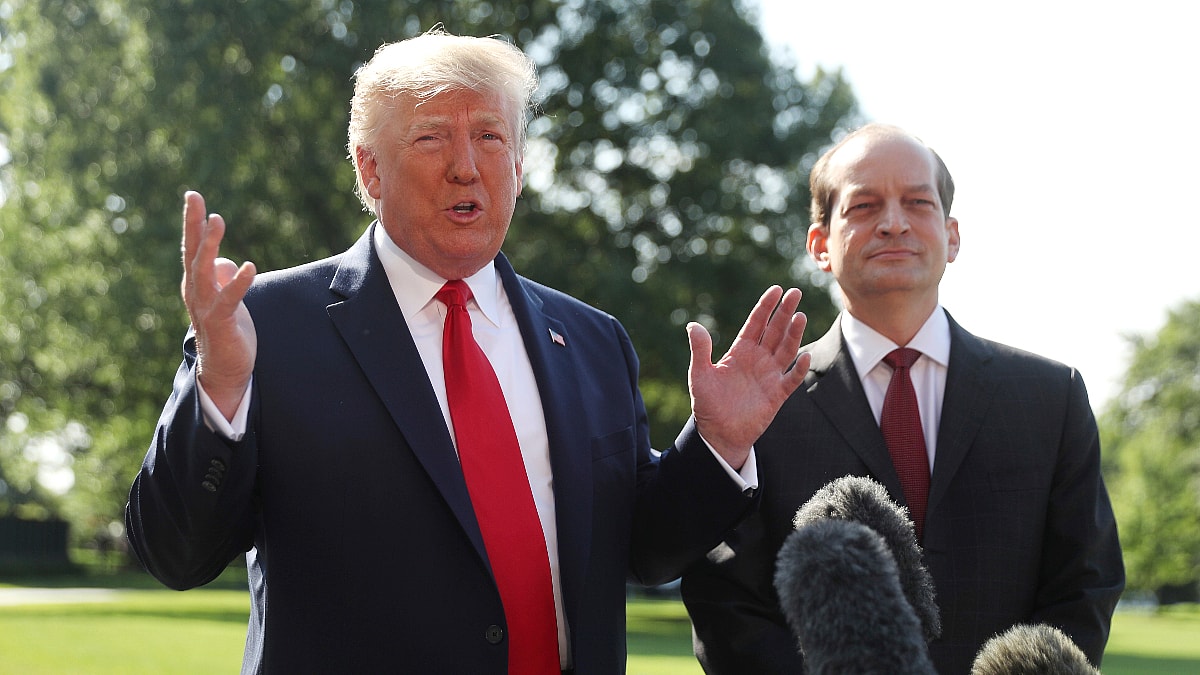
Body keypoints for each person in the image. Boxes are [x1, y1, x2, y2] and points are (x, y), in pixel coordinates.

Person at [124, 28, 811, 675]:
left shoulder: (593, 340)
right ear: (370, 170)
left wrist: (716, 446)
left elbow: (643, 548)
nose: (465, 166)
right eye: (431, 138)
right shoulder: (263, 326)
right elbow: (177, 552)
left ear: (517, 166)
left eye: (489, 136)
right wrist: (219, 382)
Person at [680, 123, 1124, 674]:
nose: (893, 223)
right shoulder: (760, 406)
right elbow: (727, 601)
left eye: (917, 202)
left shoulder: (1051, 398)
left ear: (952, 234)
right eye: (863, 207)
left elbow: (1086, 583)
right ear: (819, 244)